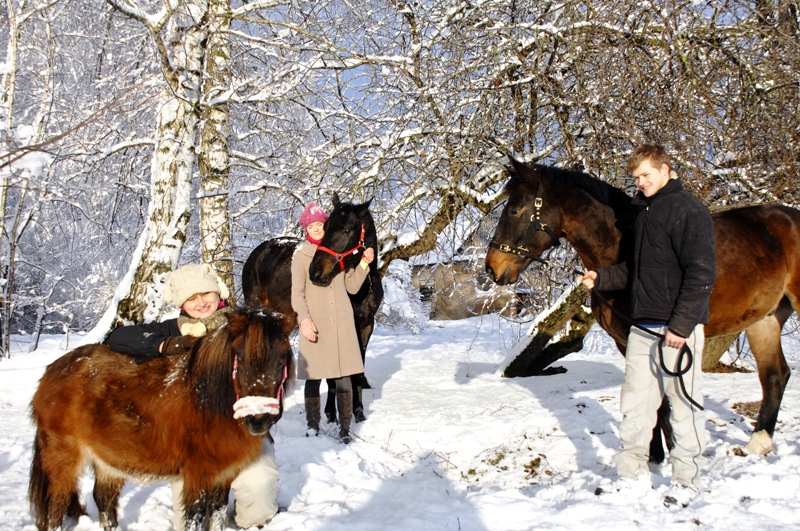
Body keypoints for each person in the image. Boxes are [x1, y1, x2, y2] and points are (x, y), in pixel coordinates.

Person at [580, 144, 716, 505]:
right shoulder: (646, 213)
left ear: (665, 169)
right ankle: (632, 475)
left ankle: (688, 479)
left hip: (677, 332)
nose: (639, 182)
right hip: (643, 327)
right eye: (636, 177)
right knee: (636, 405)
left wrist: (681, 327)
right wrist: (602, 277)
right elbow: (636, 271)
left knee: (684, 405)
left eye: (645, 175)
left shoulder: (688, 211)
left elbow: (702, 274)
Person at [105, 263, 280, 530]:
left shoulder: (242, 325)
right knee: (190, 521)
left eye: (205, 294)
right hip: (192, 442)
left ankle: (244, 514)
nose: (200, 303)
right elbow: (117, 337)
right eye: (191, 298)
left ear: (218, 293)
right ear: (181, 303)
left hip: (242, 433)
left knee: (258, 502)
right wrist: (163, 344)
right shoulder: (176, 328)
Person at [291, 201, 374, 443]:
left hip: (341, 325)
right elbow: (297, 294)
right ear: (306, 229)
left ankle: (345, 429)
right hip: (316, 323)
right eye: (312, 226)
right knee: (314, 378)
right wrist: (304, 319)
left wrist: (364, 264)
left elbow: (352, 285)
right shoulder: (301, 255)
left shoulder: (339, 249)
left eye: (320, 224)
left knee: (344, 377)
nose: (316, 229)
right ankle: (313, 426)